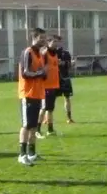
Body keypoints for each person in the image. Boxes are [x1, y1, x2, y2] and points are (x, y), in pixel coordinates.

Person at [17, 28, 48, 166]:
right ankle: (22, 154)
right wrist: (41, 73)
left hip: (37, 93)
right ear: (34, 38)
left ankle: (32, 153)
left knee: (34, 126)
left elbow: (42, 75)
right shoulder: (27, 52)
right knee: (26, 125)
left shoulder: (40, 55)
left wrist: (44, 73)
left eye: (44, 38)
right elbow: (25, 73)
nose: (43, 40)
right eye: (41, 38)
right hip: (27, 94)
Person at [35, 39, 61, 138]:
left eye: (56, 42)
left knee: (50, 109)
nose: (55, 44)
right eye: (53, 42)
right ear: (48, 43)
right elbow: (41, 66)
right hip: (46, 86)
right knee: (44, 108)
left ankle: (50, 129)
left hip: (54, 85)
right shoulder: (45, 54)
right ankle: (37, 130)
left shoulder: (55, 54)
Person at [51, 36, 75, 123]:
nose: (57, 43)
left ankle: (69, 117)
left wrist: (67, 63)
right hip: (54, 79)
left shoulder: (66, 53)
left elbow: (69, 65)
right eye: (55, 41)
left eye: (58, 41)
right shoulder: (50, 53)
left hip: (65, 78)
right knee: (52, 99)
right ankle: (48, 118)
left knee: (67, 98)